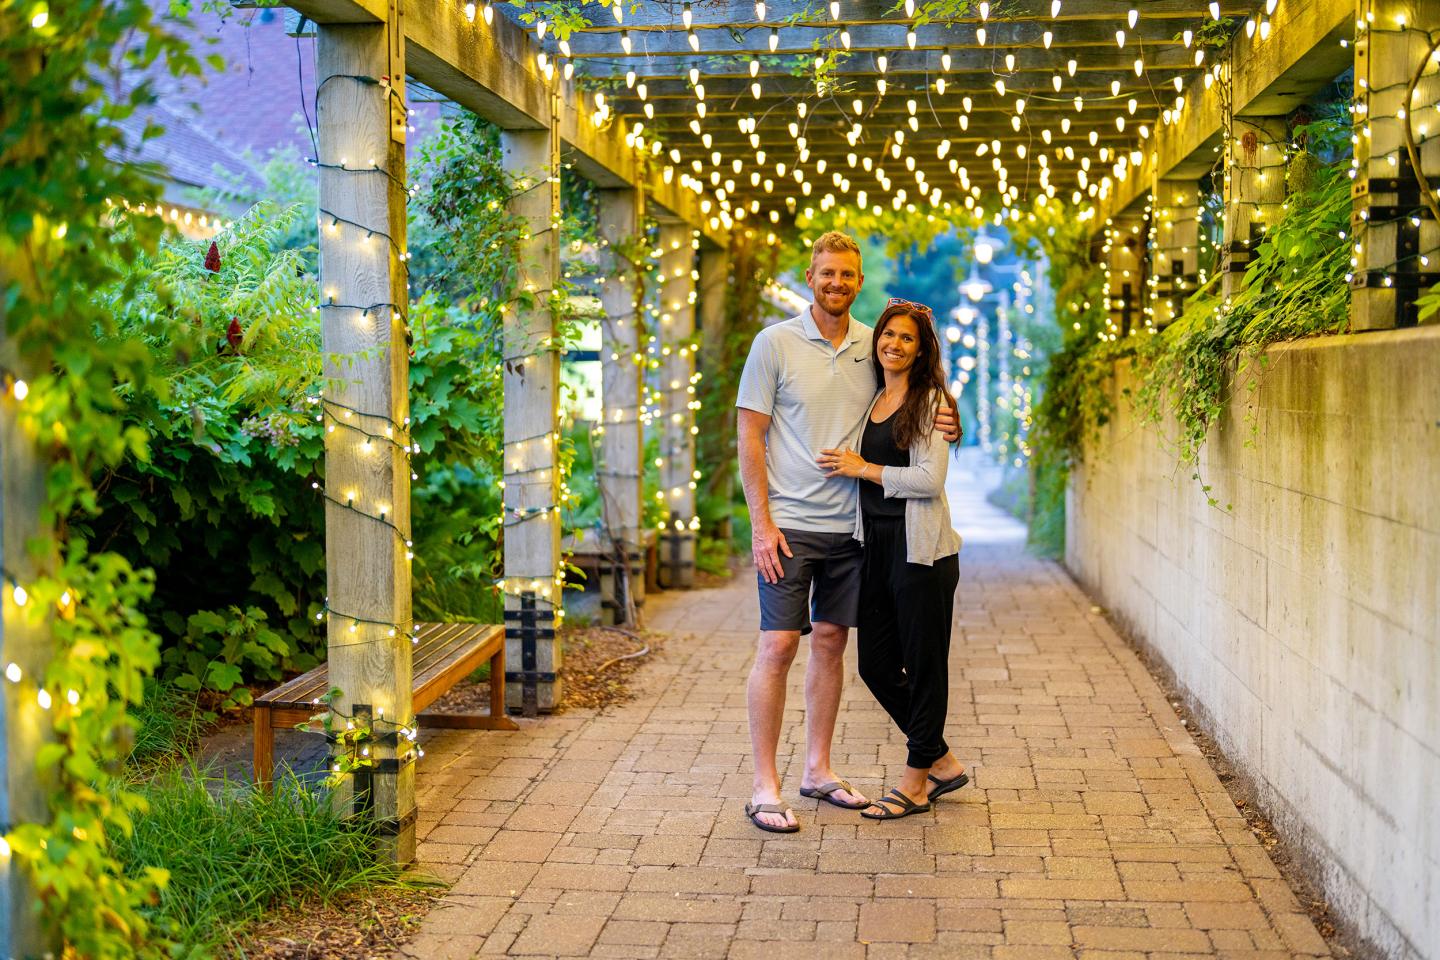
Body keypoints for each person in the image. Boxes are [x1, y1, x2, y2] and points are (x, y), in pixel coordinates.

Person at [734, 234, 958, 833]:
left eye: (848, 275)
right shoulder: (774, 343)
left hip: (854, 529)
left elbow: (914, 399)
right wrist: (761, 524)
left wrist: (947, 412)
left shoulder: (873, 346)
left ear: (860, 282)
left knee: (832, 643)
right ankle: (764, 787)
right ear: (810, 276)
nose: (837, 282)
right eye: (827, 273)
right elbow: (749, 436)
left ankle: (818, 771)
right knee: (779, 646)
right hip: (789, 526)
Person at [816, 299, 967, 820]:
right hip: (874, 547)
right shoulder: (873, 398)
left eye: (907, 338)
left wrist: (866, 469)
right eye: (888, 335)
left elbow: (930, 480)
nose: (894, 345)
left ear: (921, 349)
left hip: (920, 550)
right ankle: (941, 760)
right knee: (875, 664)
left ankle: (915, 784)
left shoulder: (930, 403)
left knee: (925, 667)